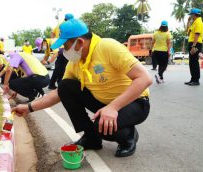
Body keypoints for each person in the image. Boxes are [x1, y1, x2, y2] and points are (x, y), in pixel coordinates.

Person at [12, 18, 152, 157]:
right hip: (105, 104)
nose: (64, 51)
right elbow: (59, 93)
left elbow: (144, 78)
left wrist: (113, 107)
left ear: (79, 42)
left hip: (134, 102)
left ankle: (128, 136)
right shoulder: (75, 62)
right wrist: (29, 107)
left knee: (101, 127)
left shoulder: (107, 47)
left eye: (66, 46)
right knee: (66, 86)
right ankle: (91, 138)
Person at [45, 13, 74, 89]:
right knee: (64, 67)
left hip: (59, 47)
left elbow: (52, 33)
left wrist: (53, 40)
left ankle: (52, 84)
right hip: (64, 47)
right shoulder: (69, 25)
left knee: (59, 67)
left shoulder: (59, 25)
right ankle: (60, 84)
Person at [184, 8, 203, 86]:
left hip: (196, 44)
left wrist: (193, 46)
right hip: (192, 43)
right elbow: (187, 32)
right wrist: (188, 21)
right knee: (192, 62)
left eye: (191, 15)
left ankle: (196, 80)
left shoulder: (199, 22)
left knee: (194, 62)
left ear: (194, 15)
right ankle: (193, 79)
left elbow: (197, 34)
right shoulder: (194, 22)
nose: (190, 16)